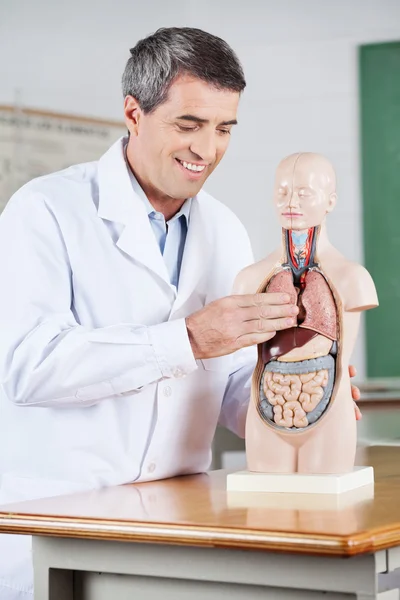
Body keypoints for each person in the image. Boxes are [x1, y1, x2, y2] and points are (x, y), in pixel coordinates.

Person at [0, 27, 361, 599]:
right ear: (133, 113)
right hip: (56, 524)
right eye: (188, 125)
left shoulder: (223, 228)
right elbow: (30, 365)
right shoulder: (45, 211)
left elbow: (231, 379)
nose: (207, 149)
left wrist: (296, 400)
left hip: (180, 522)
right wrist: (187, 340)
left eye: (224, 129)